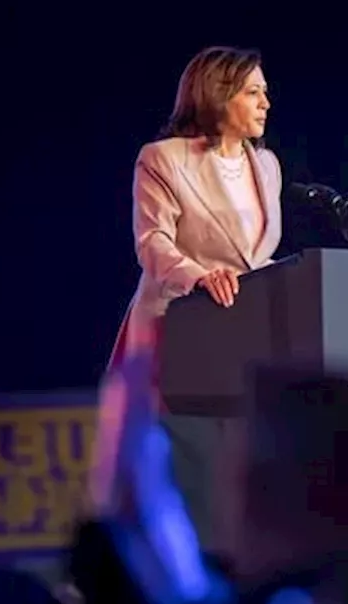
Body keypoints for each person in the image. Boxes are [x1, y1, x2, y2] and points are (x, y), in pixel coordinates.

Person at [109, 45, 283, 370]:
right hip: (176, 323)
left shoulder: (267, 165)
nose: (265, 104)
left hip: (242, 335)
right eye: (253, 93)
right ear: (219, 96)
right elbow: (153, 243)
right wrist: (202, 278)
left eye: (265, 93)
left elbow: (253, 256)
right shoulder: (163, 158)